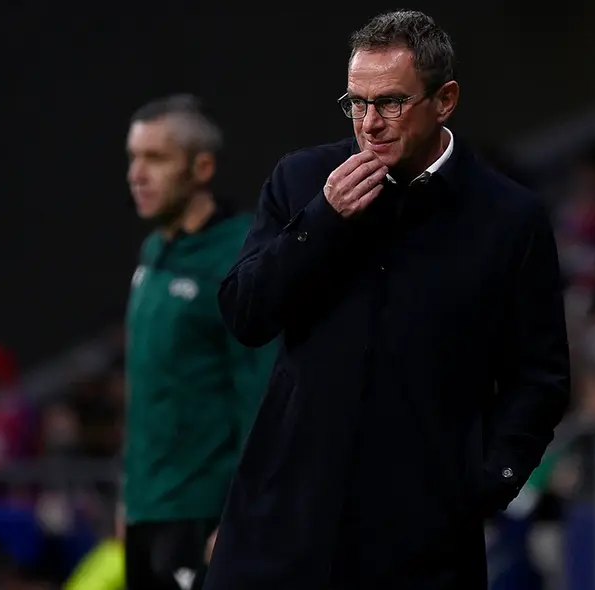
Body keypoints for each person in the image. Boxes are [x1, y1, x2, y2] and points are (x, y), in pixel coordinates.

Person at [204, 10, 570, 590]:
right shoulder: (301, 181)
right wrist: (321, 223)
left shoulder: (509, 218)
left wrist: (488, 480)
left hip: (421, 537)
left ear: (444, 99)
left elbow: (540, 376)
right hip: (283, 523)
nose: (369, 123)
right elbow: (245, 314)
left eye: (391, 103)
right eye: (356, 103)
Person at [123, 94, 275, 590]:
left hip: (204, 514)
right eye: (133, 157)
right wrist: (130, 500)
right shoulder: (153, 251)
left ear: (201, 167)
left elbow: (261, 397)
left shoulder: (239, 255)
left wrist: (240, 513)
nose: (137, 173)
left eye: (156, 158)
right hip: (149, 510)